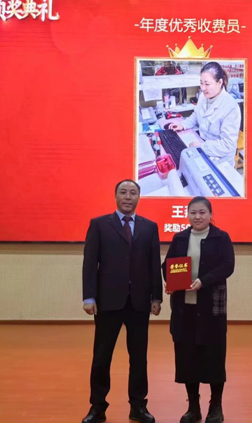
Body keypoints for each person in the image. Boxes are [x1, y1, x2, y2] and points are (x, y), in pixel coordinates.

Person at [81, 179, 162, 423]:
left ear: (139, 197)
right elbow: (90, 263)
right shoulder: (99, 224)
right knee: (101, 357)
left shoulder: (150, 227)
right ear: (115, 196)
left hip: (139, 303)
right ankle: (97, 407)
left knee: (139, 358)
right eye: (123, 192)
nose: (128, 197)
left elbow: (153, 264)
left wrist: (156, 297)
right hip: (108, 302)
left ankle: (138, 406)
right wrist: (89, 296)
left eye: (133, 193)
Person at [162, 197, 235, 423]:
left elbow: (227, 266)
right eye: (193, 212)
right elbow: (167, 265)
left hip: (211, 308)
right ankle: (193, 407)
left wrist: (203, 281)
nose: (197, 216)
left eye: (202, 212)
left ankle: (216, 406)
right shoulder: (180, 238)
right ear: (187, 215)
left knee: (214, 357)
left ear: (210, 214)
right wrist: (170, 281)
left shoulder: (221, 237)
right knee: (187, 359)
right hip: (185, 310)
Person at [168, 62, 241, 167]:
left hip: (220, 160)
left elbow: (227, 145)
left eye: (207, 84)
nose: (203, 88)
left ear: (219, 82)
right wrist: (183, 125)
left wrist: (202, 146)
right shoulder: (204, 96)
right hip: (202, 146)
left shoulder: (231, 107)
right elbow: (196, 115)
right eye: (201, 83)